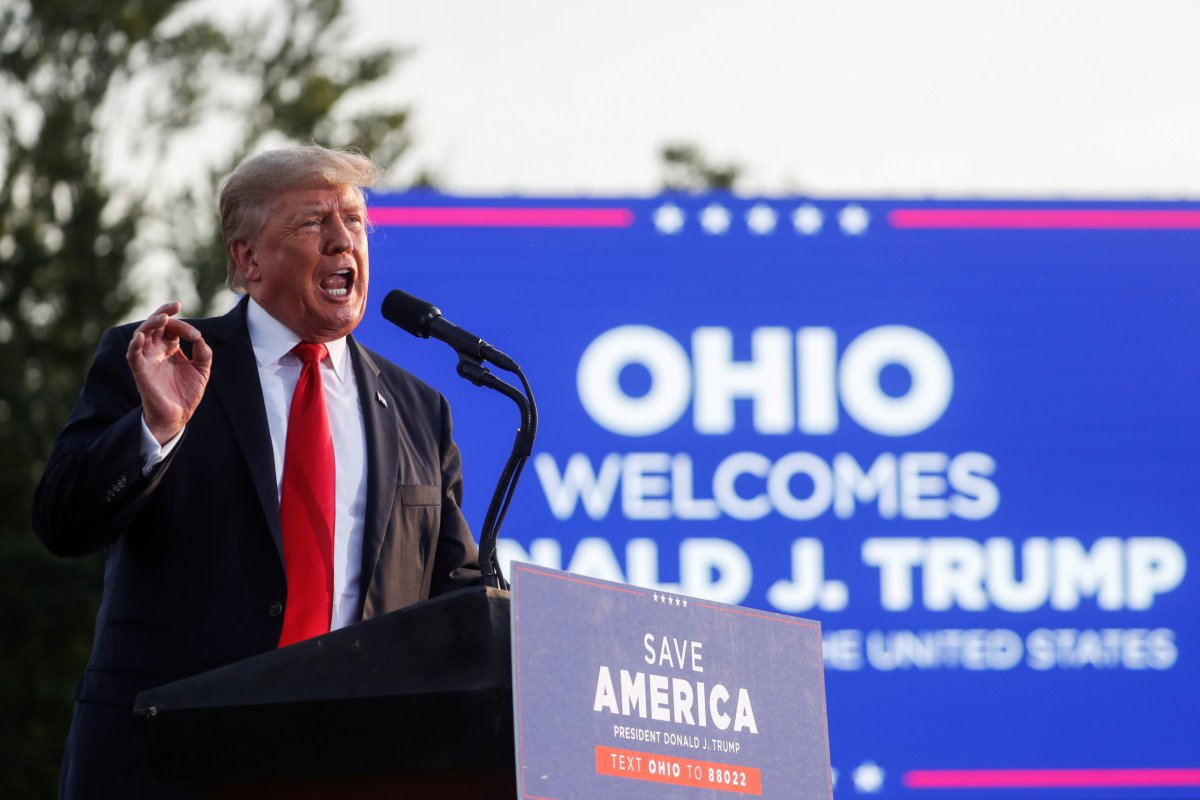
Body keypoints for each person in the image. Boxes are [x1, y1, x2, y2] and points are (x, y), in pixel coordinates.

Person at [33, 145, 481, 798]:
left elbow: (454, 594)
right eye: (312, 223)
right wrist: (158, 429)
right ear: (248, 260)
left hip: (357, 766)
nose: (340, 242)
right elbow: (63, 521)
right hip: (171, 764)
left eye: (353, 221)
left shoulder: (418, 409)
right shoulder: (164, 362)